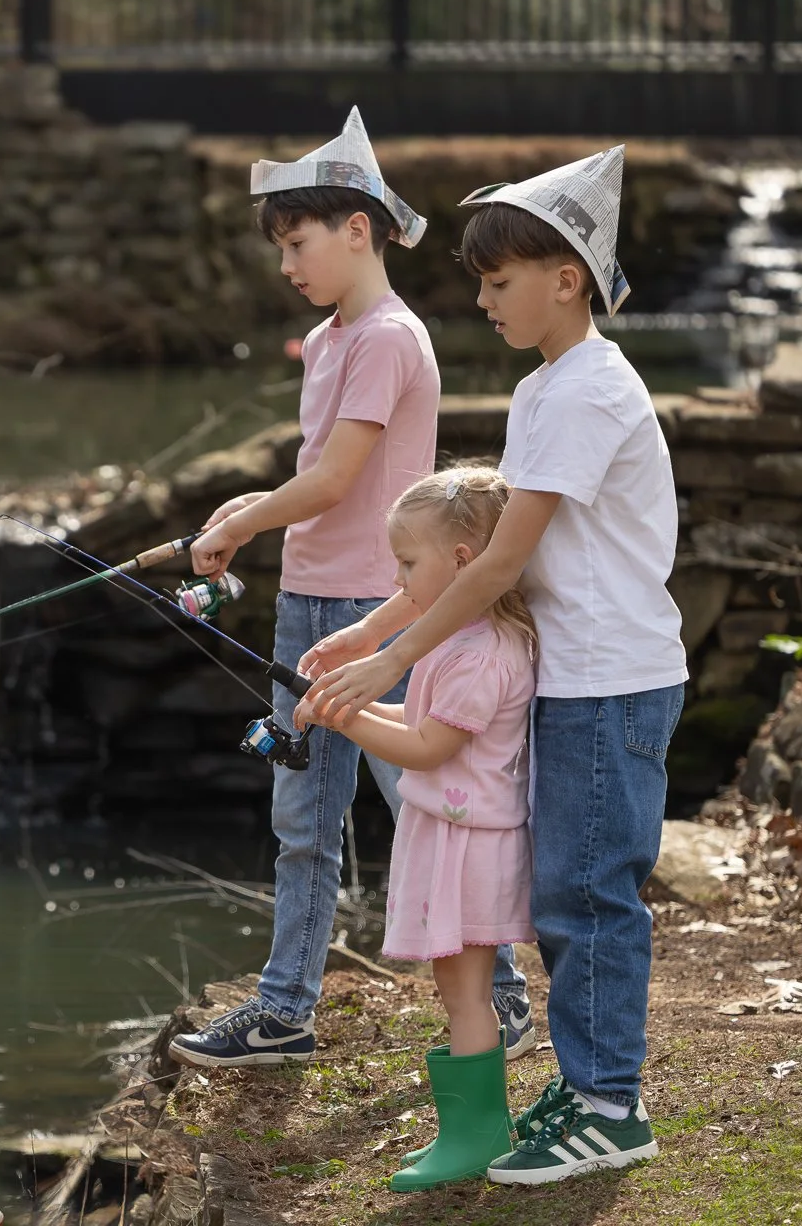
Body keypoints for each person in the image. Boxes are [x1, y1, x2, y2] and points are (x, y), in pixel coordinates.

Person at [301, 145, 687, 1184]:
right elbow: (470, 548)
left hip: (612, 680)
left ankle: (612, 1106)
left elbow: (503, 563)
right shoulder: (546, 389)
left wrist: (395, 663)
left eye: (498, 280)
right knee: (565, 891)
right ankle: (592, 1081)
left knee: (589, 894)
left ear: (569, 280)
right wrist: (371, 634)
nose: (481, 299)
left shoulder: (587, 393)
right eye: (477, 281)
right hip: (577, 676)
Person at [166, 107, 536, 1069]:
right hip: (306, 602)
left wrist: (247, 519)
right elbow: (317, 474)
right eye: (281, 247)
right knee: (302, 822)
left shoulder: (388, 338)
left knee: (422, 798)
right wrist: (247, 508)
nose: (287, 264)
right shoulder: (330, 341)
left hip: (377, 607)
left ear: (358, 229)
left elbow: (333, 486)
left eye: (298, 242)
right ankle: (286, 1007)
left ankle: (501, 993)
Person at [296, 465, 537, 1190]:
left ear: (463, 563)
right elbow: (420, 721)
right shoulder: (460, 640)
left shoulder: (483, 653)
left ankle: (476, 1135)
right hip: (451, 838)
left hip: (469, 847)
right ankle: (471, 1126)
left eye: (408, 565)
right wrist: (349, 705)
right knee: (455, 988)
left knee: (466, 994)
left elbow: (432, 748)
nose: (398, 584)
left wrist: (348, 721)